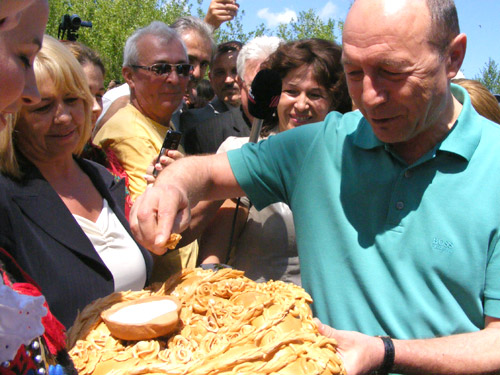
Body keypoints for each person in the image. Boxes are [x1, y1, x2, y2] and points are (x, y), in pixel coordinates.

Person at [130, 0, 500, 374]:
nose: (369, 96)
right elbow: (208, 173)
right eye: (354, 72)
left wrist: (384, 352)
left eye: (391, 71)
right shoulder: (316, 147)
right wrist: (172, 186)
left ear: (453, 58)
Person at [0, 35, 153, 329]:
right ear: (12, 115)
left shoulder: (105, 179)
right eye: (43, 107)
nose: (64, 117)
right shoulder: (7, 199)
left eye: (72, 100)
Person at [199, 39, 352, 286]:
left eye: (315, 95)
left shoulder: (349, 161)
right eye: (292, 91)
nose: (301, 105)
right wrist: (212, 285)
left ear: (333, 102)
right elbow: (214, 249)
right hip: (255, 312)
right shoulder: (242, 151)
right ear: (275, 97)